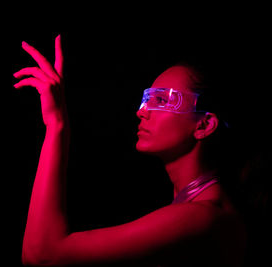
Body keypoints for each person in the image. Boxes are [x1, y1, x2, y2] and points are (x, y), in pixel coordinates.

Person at [14, 35, 247, 266]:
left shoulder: (201, 218)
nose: (142, 111)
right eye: (146, 99)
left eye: (162, 100)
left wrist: (56, 124)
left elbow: (42, 255)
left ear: (204, 125)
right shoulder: (195, 208)